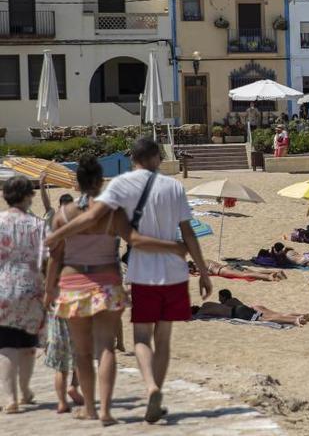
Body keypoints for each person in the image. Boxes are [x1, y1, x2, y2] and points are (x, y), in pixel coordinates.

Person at [45, 138, 212, 424]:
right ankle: (141, 397)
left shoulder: (115, 188)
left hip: (129, 274)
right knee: (151, 340)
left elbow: (87, 221)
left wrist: (57, 236)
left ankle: (130, 395)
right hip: (163, 274)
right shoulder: (171, 188)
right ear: (158, 158)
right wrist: (203, 270)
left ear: (132, 157)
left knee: (125, 342)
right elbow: (184, 232)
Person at [0, 176, 47, 414]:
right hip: (31, 287)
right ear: (29, 195)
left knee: (6, 345)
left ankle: (10, 398)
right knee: (28, 344)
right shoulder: (38, 225)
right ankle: (26, 389)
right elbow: (47, 259)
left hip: (2, 288)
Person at [193, 290, 309, 326]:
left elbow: (197, 316)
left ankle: (295, 320)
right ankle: (298, 315)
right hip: (242, 308)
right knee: (272, 315)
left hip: (238, 313)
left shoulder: (203, 309)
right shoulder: (229, 301)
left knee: (266, 320)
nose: (219, 300)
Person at [192, 261, 286, 282]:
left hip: (222, 271)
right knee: (253, 271)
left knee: (246, 274)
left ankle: (269, 277)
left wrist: (198, 273)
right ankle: (276, 272)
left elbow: (210, 273)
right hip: (227, 266)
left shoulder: (200, 266)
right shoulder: (206, 260)